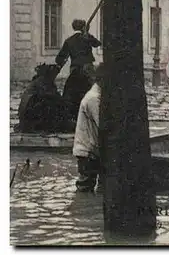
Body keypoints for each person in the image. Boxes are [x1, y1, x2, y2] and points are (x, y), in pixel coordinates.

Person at [56, 19, 101, 122]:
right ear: (83, 27)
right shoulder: (87, 37)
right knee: (92, 91)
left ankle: (75, 116)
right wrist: (88, 34)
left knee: (73, 92)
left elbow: (59, 59)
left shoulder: (69, 40)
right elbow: (98, 44)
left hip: (75, 69)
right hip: (88, 68)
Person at [72, 63, 105, 193]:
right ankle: (83, 210)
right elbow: (103, 124)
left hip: (90, 150)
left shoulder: (96, 95)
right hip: (87, 152)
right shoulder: (93, 98)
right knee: (85, 188)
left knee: (90, 187)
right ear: (102, 80)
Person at [16, 64, 71, 133]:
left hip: (28, 112)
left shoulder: (41, 81)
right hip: (29, 114)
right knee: (53, 104)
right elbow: (52, 96)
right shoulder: (42, 81)